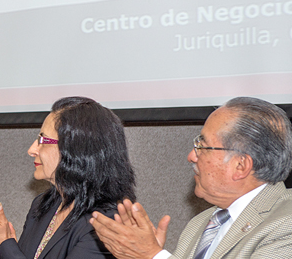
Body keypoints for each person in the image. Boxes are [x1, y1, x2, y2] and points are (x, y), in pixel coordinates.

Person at [90, 97, 292, 259]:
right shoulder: (201, 223)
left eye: (202, 147)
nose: (191, 156)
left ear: (241, 165)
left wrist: (153, 256)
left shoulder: (286, 223)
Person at [0, 96, 136, 259]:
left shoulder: (107, 223)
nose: (31, 150)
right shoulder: (43, 204)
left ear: (76, 150)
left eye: (43, 141)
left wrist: (5, 246)